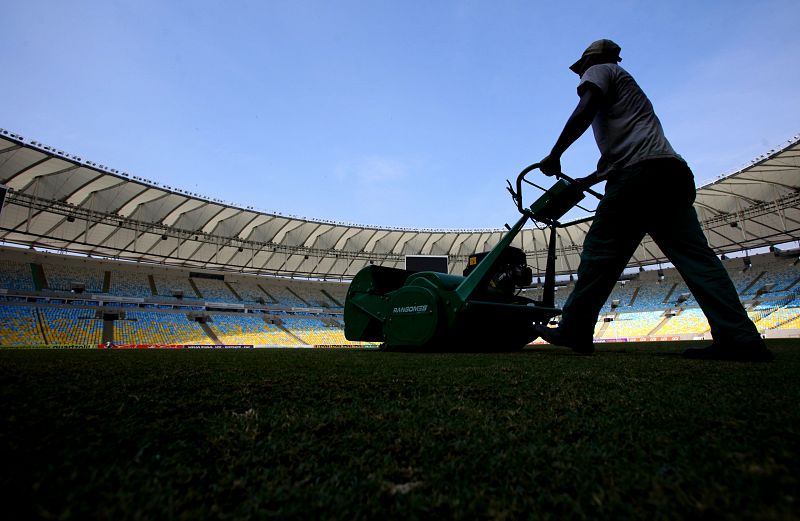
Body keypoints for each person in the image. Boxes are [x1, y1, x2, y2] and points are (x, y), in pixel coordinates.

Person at [533, 39, 773, 362]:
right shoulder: (630, 94)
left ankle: (575, 326)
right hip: (669, 175)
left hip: (639, 179)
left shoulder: (602, 71)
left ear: (593, 60)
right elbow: (626, 154)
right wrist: (587, 180)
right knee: (698, 261)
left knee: (599, 254)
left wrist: (555, 153)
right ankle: (739, 336)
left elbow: (586, 108)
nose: (581, 76)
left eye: (582, 68)